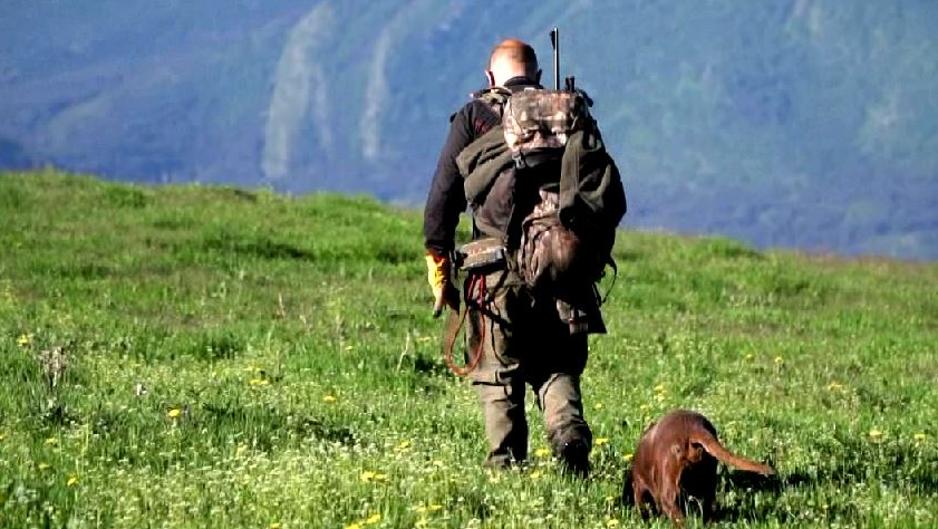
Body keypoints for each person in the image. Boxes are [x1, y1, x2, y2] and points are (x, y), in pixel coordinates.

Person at [423, 38, 620, 475]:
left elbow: (441, 200)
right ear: (537, 78)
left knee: (498, 372)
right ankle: (567, 433)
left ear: (490, 78)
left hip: (493, 275)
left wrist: (440, 270)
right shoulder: (570, 113)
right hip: (563, 267)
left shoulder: (474, 117)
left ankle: (506, 468)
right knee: (558, 366)